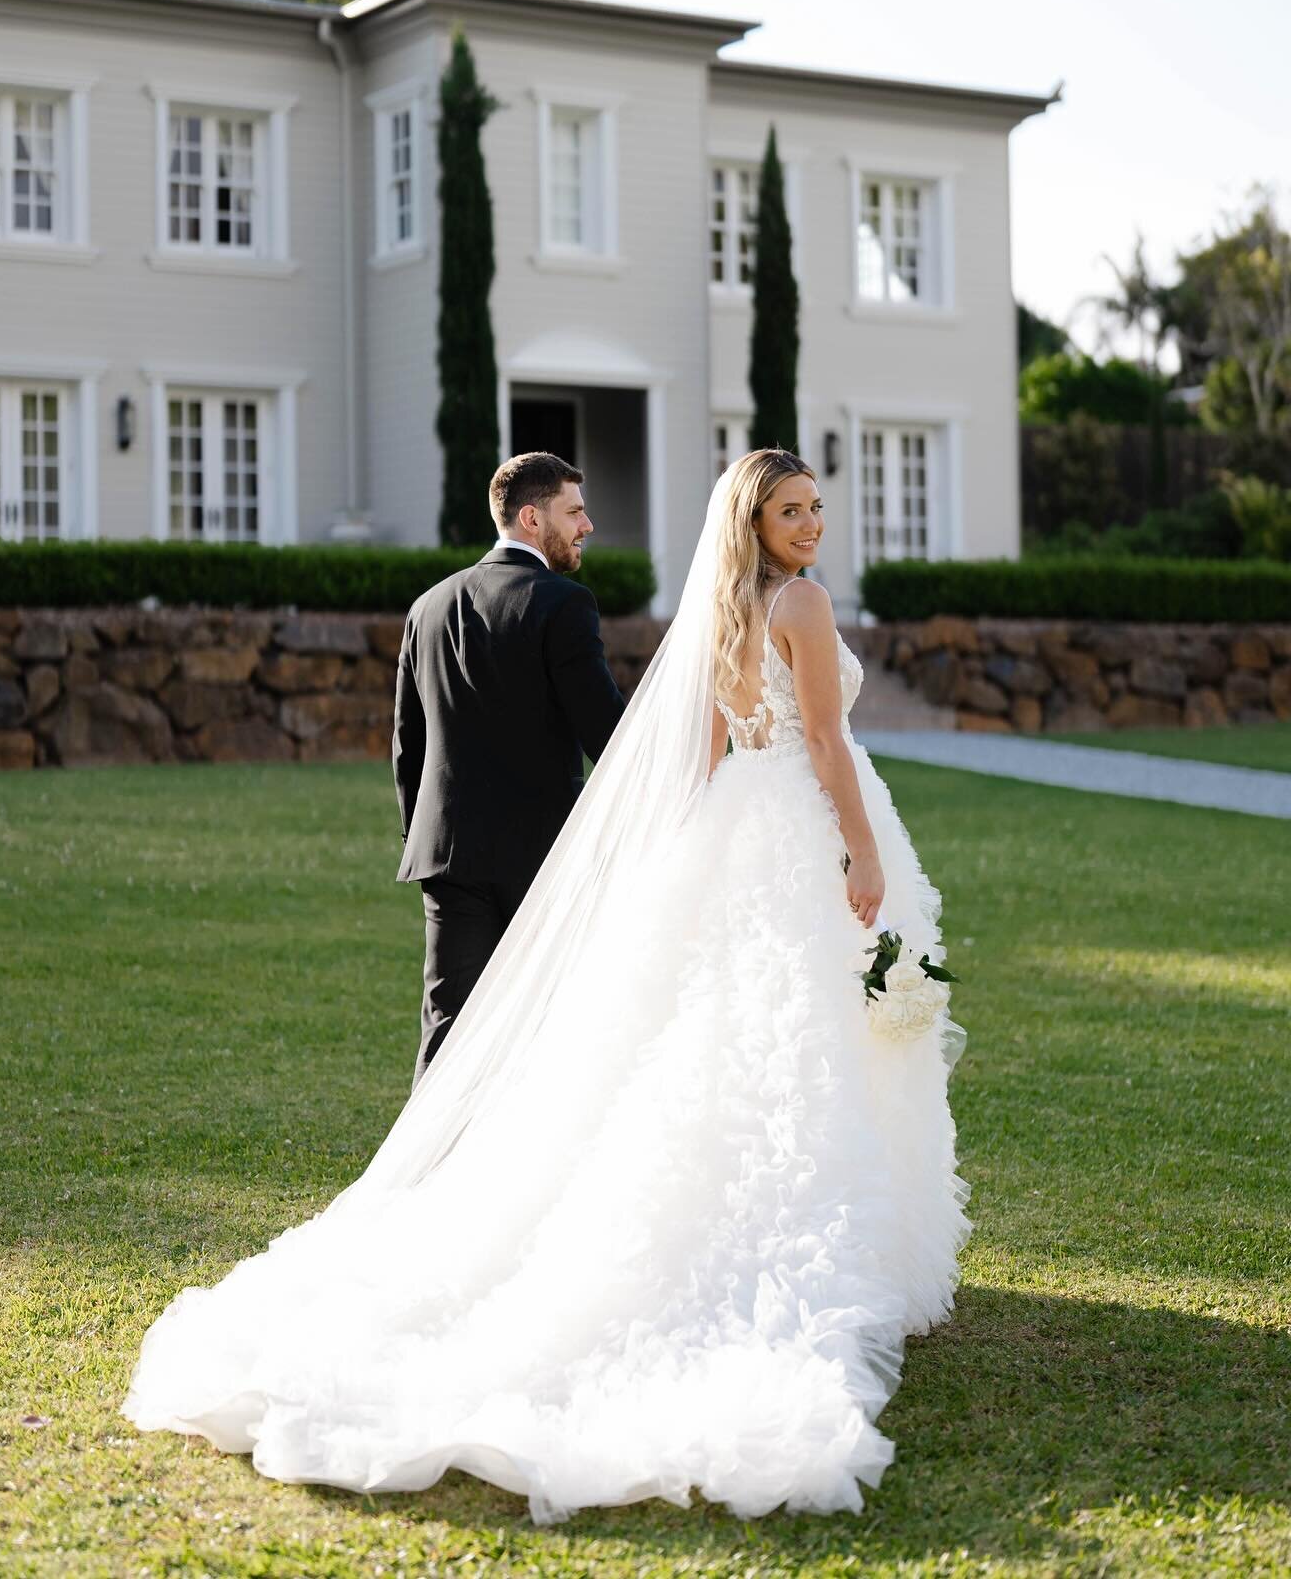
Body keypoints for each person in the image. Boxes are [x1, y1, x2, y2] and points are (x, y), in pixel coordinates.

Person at [123, 448, 970, 1524]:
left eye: (816, 509)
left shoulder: (699, 610)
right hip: (795, 828)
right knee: (793, 1037)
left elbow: (685, 751)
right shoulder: (791, 602)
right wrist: (860, 848)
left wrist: (677, 854)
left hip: (662, 838)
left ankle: (481, 1177)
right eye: (792, 511)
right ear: (754, 524)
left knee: (699, 1036)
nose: (810, 526)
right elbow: (817, 736)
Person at [393, 451, 625, 1083]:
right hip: (542, 859)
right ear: (531, 517)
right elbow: (609, 734)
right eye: (574, 511)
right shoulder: (563, 604)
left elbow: (406, 747)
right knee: (551, 1025)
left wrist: (424, 838)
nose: (588, 525)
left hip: (448, 855)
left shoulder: (428, 606)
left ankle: (423, 1177)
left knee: (448, 1029)